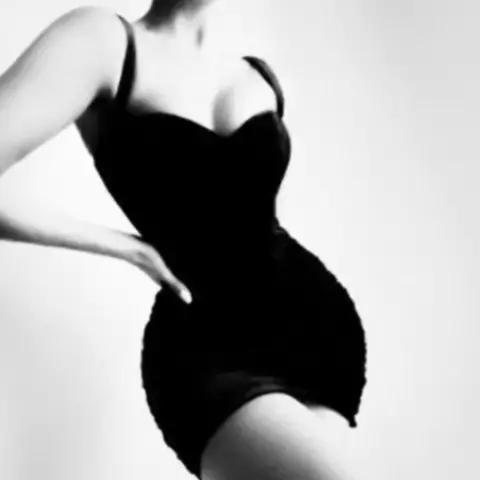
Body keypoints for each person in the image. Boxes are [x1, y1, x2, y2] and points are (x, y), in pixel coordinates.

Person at [0, 1, 368, 479]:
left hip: (316, 333)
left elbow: (251, 218)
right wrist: (127, 247)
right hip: (206, 351)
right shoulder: (103, 43)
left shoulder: (260, 77)